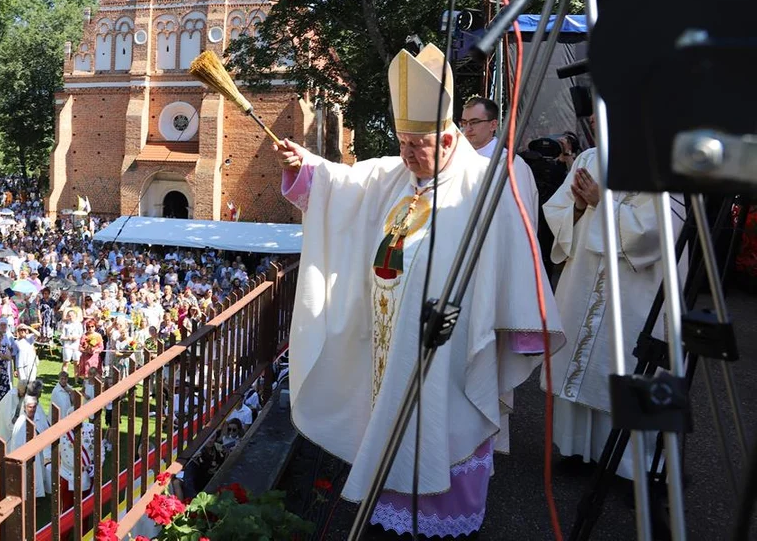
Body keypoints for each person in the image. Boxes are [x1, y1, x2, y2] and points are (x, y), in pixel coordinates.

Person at [273, 44, 564, 537]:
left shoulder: (486, 183)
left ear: (449, 139)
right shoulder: (395, 173)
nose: (408, 153)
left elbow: (516, 258)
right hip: (390, 342)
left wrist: (519, 330)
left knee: (443, 434)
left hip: (449, 349)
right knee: (389, 431)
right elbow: (340, 185)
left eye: (418, 144)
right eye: (403, 141)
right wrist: (304, 165)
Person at [541, 141, 685, 479]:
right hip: (583, 279)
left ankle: (639, 469)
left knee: (632, 368)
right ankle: (578, 451)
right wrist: (576, 206)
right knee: (582, 363)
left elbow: (657, 231)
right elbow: (558, 209)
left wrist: (600, 203)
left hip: (637, 288)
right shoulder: (591, 157)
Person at [459, 96, 539, 228]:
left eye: (474, 122)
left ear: (493, 125)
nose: (468, 129)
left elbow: (521, 218)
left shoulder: (511, 165)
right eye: (464, 122)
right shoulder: (457, 160)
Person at [8, 383, 52, 498]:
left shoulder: (37, 410)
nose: (32, 409)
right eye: (30, 407)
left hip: (38, 453)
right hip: (27, 456)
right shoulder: (21, 423)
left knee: (38, 475)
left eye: (34, 407)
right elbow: (18, 443)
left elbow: (44, 428)